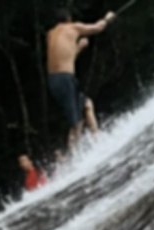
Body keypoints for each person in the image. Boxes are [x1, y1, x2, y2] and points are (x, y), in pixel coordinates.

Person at [46, 8, 116, 150]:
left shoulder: (50, 34)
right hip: (65, 79)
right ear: (69, 19)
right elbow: (98, 27)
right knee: (76, 122)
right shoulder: (73, 27)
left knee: (87, 104)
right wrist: (108, 18)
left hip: (55, 80)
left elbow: (64, 59)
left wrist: (78, 47)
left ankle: (98, 140)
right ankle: (74, 158)